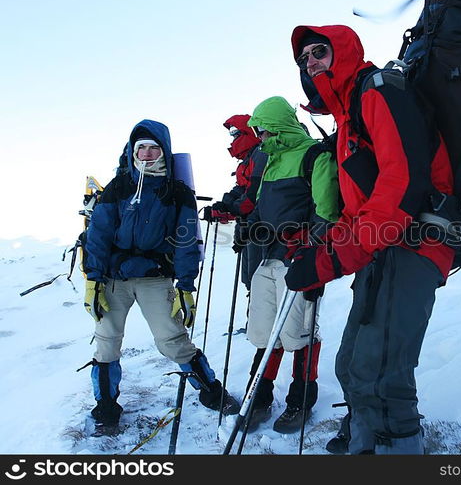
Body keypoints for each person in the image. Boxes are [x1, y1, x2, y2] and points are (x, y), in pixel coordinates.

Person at [284, 26, 455, 454]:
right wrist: (321, 251)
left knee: (381, 373)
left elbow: (401, 185)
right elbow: (354, 211)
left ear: (342, 51)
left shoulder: (376, 91)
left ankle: (393, 450)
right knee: (350, 365)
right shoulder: (346, 120)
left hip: (415, 241)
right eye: (304, 59)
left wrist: (334, 259)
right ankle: (365, 443)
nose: (311, 63)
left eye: (319, 52)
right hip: (385, 247)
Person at [82, 119, 240, 428]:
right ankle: (105, 405)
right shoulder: (119, 187)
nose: (147, 154)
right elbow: (99, 234)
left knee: (172, 339)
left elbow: (185, 240)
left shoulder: (176, 191)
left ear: (164, 152)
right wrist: (93, 279)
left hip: (156, 277)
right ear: (133, 152)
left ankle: (211, 391)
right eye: (141, 149)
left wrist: (185, 285)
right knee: (106, 342)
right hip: (114, 278)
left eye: (154, 149)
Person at [240, 96, 340, 433]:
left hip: (299, 258)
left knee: (299, 332)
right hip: (266, 257)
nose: (260, 137)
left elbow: (326, 211)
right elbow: (260, 206)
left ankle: (301, 400)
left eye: (263, 130)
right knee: (264, 332)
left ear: (278, 126)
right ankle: (260, 397)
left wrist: (310, 244)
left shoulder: (314, 154)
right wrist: (249, 226)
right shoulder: (271, 159)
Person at [209, 115, 267, 323]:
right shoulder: (249, 159)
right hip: (249, 226)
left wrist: (231, 209)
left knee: (258, 276)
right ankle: (257, 319)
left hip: (260, 226)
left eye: (236, 133)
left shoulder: (260, 155)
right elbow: (242, 189)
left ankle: (261, 319)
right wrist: (225, 204)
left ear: (248, 133)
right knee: (250, 277)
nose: (233, 139)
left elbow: (253, 193)